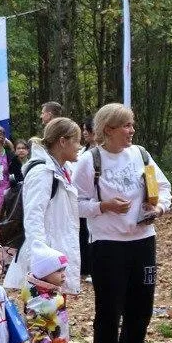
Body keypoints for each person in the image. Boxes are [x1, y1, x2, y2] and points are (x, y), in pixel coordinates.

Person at [75, 103, 172, 343]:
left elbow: (164, 187)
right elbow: (75, 203)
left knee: (141, 307)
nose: (132, 131)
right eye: (126, 126)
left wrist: (158, 206)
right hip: (107, 245)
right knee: (109, 309)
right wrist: (103, 206)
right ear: (109, 130)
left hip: (143, 241)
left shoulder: (141, 154)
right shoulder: (90, 160)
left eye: (132, 125)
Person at [4, 118, 83, 296]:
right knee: (41, 317)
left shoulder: (63, 169)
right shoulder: (42, 172)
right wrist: (41, 264)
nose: (79, 146)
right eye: (76, 141)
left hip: (56, 253)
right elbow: (33, 217)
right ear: (62, 141)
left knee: (55, 316)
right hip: (46, 259)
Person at [78, 117, 96, 282]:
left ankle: (92, 268)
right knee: (83, 233)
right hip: (83, 201)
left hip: (95, 201)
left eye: (86, 129)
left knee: (93, 234)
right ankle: (84, 267)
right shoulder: (82, 152)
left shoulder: (97, 154)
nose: (84, 133)